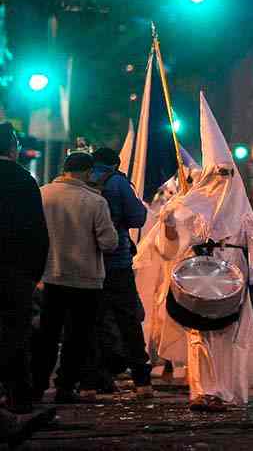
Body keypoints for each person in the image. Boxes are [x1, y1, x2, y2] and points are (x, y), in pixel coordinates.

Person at [134, 94, 253, 412]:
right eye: (215, 174)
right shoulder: (190, 208)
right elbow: (169, 249)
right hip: (198, 281)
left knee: (229, 338)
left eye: (226, 175)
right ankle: (203, 391)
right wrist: (169, 226)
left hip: (233, 283)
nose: (221, 182)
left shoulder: (243, 216)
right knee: (198, 335)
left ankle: (226, 390)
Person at [32, 151, 118, 403]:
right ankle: (65, 386)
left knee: (47, 334)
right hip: (85, 279)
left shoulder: (42, 194)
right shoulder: (95, 201)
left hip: (50, 276)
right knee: (77, 337)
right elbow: (109, 242)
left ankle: (37, 385)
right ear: (88, 172)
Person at [0, 123, 57, 444]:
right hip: (16, 272)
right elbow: (36, 232)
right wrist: (34, 274)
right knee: (15, 334)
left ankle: (17, 402)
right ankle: (18, 398)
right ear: (13, 148)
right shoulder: (23, 180)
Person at [85, 145, 152, 397]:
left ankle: (93, 381)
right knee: (128, 320)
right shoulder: (118, 183)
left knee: (91, 323)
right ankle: (142, 381)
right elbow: (137, 218)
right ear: (115, 164)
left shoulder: (82, 181)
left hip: (86, 264)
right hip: (117, 262)